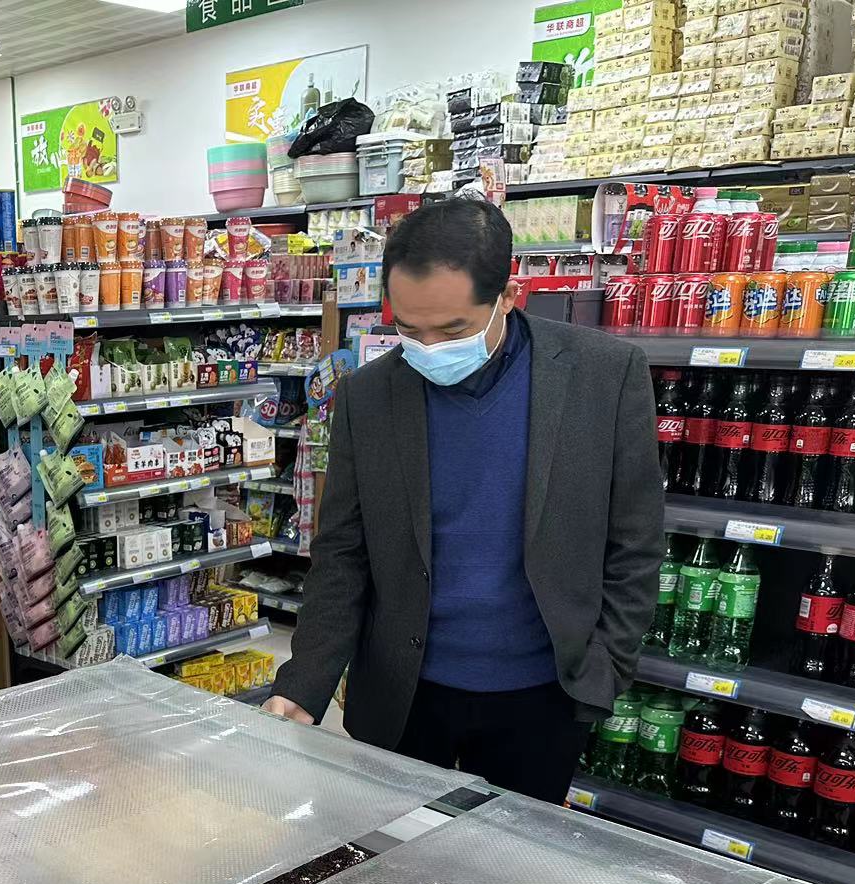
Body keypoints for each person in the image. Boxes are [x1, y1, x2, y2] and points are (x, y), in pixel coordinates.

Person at [264, 198, 662, 802]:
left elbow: (635, 538)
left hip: (542, 694)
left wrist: (605, 668)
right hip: (404, 691)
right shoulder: (369, 396)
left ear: (509, 297)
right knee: (389, 842)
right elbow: (342, 551)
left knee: (513, 853)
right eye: (408, 330)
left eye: (452, 331)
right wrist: (303, 683)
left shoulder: (604, 375)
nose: (428, 348)